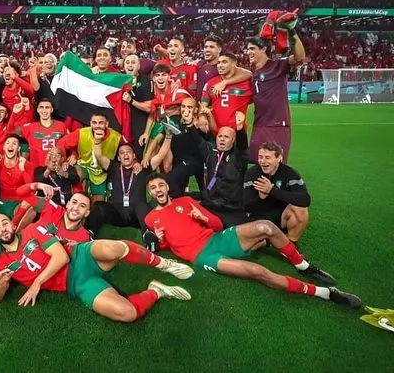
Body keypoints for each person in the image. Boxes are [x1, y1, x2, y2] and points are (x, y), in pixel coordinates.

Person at [143, 174, 361, 308]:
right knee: (258, 272)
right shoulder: (151, 218)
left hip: (217, 238)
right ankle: (325, 293)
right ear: (151, 193)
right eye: (153, 188)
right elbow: (166, 247)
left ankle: (302, 265)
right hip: (203, 256)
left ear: (167, 187)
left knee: (266, 226)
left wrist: (204, 218)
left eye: (161, 185)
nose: (158, 190)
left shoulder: (186, 201)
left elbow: (218, 225)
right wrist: (161, 242)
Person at [0, 214, 193, 322]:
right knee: (127, 313)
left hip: (79, 257)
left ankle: (163, 264)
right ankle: (156, 290)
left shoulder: (31, 230)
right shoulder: (1, 263)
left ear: (12, 224)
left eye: (4, 223)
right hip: (76, 284)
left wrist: (37, 283)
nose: (3, 229)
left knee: (111, 249)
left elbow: (61, 257)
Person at [247, 33, 306, 163]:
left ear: (263, 49)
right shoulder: (253, 73)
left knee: (274, 165)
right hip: (259, 125)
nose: (248, 52)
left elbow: (300, 57)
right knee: (257, 163)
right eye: (248, 49)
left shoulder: (277, 65)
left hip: (277, 126)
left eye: (252, 49)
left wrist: (294, 35)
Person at [243, 142, 311, 243]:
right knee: (249, 247)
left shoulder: (289, 173)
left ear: (278, 158)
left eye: (267, 157)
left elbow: (305, 200)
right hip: (258, 217)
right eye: (260, 157)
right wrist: (260, 198)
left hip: (281, 218)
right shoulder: (252, 173)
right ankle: (269, 242)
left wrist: (272, 191)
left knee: (300, 209)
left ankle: (290, 243)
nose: (262, 161)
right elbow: (245, 205)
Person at [193, 117, 251, 228]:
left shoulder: (238, 158)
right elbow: (197, 140)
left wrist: (240, 130)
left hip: (230, 208)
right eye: (220, 136)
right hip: (211, 204)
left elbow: (242, 147)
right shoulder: (211, 154)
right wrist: (192, 126)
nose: (222, 139)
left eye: (226, 137)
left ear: (233, 140)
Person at [57, 113, 124, 202]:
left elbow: (128, 150)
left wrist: (135, 162)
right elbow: (60, 143)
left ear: (107, 124)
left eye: (101, 123)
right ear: (90, 123)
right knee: (73, 173)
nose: (97, 126)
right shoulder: (81, 133)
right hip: (83, 165)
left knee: (99, 205)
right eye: (94, 123)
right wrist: (64, 160)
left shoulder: (116, 137)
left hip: (101, 172)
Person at [201, 52, 253, 133]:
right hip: (215, 133)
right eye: (218, 62)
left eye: (224, 62)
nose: (220, 65)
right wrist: (202, 116)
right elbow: (203, 105)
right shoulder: (210, 83)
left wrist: (224, 83)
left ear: (234, 64)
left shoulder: (246, 84)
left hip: (238, 133)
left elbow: (249, 74)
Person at [19, 98, 67, 168]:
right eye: (41, 107)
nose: (44, 110)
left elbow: (69, 144)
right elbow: (10, 132)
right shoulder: (30, 127)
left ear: (52, 110)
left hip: (57, 168)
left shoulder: (61, 126)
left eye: (47, 107)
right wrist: (15, 114)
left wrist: (73, 155)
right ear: (37, 110)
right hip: (38, 170)